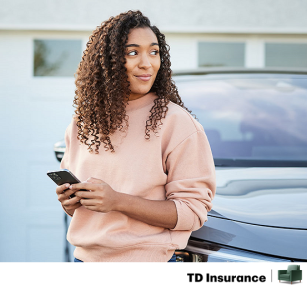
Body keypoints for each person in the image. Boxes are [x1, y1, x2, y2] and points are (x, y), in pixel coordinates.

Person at [55, 10, 216, 262]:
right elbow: (84, 214)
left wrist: (118, 201)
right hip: (85, 262)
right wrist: (71, 203)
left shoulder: (176, 123)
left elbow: (192, 214)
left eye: (154, 52)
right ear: (107, 62)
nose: (147, 63)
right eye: (133, 52)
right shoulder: (83, 124)